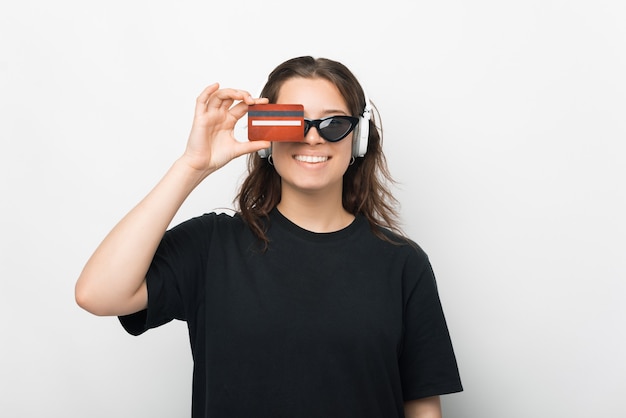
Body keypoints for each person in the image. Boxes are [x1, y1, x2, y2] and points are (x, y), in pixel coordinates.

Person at [75, 56, 463, 418]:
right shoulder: (212, 245)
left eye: (333, 124)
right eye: (293, 122)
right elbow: (98, 293)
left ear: (357, 139)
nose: (313, 139)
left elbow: (422, 405)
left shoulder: (402, 263)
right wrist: (192, 166)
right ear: (267, 134)